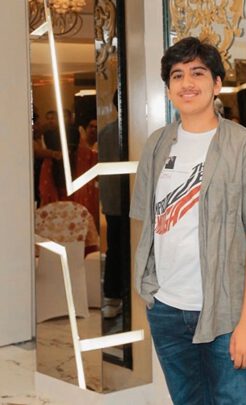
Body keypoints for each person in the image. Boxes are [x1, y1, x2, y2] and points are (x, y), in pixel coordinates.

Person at [130, 37, 246, 405]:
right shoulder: (156, 145)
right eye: (177, 75)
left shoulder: (245, 147)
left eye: (197, 73)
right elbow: (147, 224)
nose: (187, 83)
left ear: (217, 84)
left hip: (227, 314)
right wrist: (149, 289)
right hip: (167, 310)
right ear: (168, 89)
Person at [98, 91, 127, 319]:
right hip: (127, 200)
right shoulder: (132, 132)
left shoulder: (105, 132)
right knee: (126, 248)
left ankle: (112, 297)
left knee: (115, 248)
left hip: (112, 201)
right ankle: (122, 295)